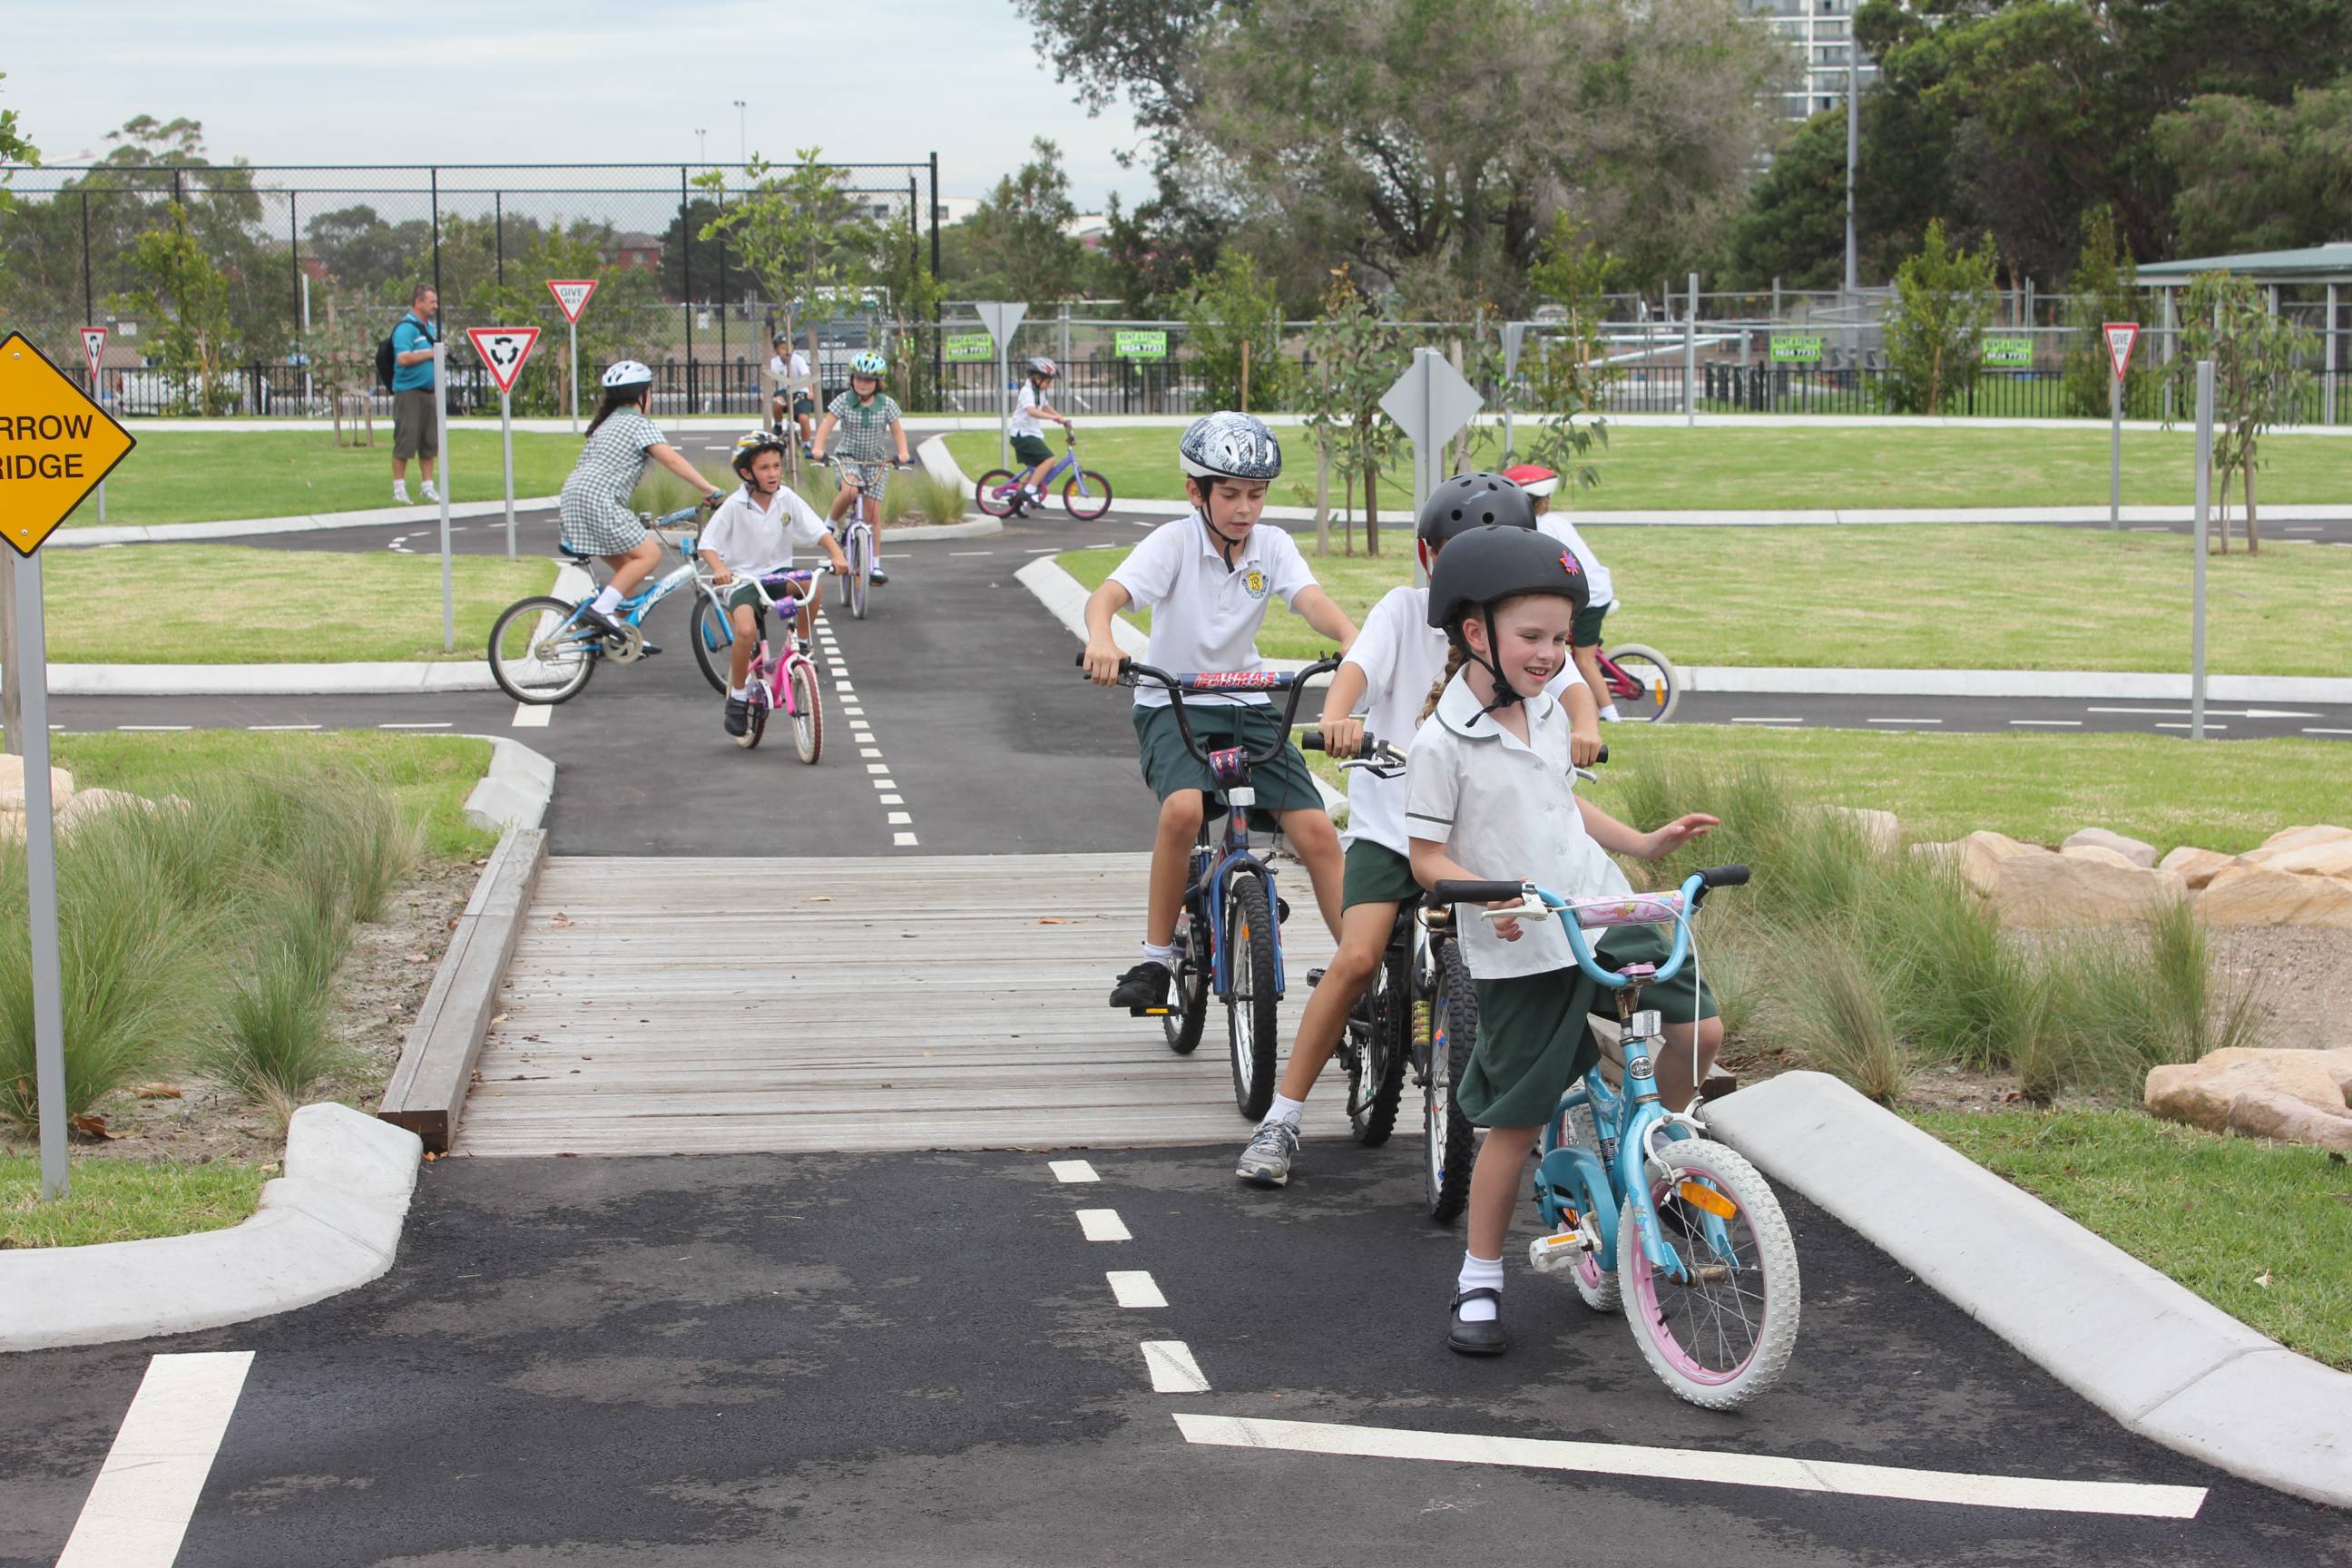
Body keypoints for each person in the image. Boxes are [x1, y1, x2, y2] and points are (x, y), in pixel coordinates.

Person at [1404, 524, 1722, 1357]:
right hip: (1525, 943)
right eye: (1533, 639)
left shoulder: (1545, 712)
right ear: (1477, 635)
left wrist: (1644, 846)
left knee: (1702, 1030)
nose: (1552, 656)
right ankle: (1478, 1280)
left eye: (1560, 639)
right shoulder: (1444, 741)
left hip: (1600, 907)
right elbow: (1426, 855)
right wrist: (1487, 893)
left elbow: (1563, 805)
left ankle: (1664, 1169)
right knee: (1517, 1120)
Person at [1234, 474, 1601, 1187]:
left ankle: (1546, 1105)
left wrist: (1586, 728)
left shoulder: (1522, 638)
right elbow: (1358, 670)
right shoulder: (1404, 613)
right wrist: (1340, 716)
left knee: (1548, 952)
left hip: (1488, 833)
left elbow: (1574, 690)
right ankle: (1281, 1118)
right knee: (1358, 957)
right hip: (1393, 827)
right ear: (1433, 561)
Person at [1081, 411, 1359, 1013]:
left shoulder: (1272, 546)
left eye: (1256, 495)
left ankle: (1358, 976)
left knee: (1315, 829)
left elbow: (1311, 602)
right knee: (1183, 810)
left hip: (1247, 702)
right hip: (1173, 702)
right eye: (1229, 494)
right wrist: (1104, 638)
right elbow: (1108, 595)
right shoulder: (1173, 544)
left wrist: (1348, 635)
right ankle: (1156, 962)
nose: (1245, 509)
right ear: (1196, 492)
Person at [557, 360, 726, 652]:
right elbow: (670, 459)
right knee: (649, 555)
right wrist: (708, 489)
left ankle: (618, 636)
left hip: (575, 498)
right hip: (598, 500)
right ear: (642, 395)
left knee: (627, 571)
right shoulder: (636, 424)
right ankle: (600, 611)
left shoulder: (607, 424)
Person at [701, 431, 852, 738]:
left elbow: (818, 531)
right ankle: (739, 697)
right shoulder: (734, 505)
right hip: (744, 579)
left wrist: (837, 554)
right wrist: (718, 567)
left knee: (810, 584)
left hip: (777, 574)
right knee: (745, 630)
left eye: (776, 466)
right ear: (747, 473)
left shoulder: (786, 499)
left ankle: (804, 649)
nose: (773, 473)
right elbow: (707, 544)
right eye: (765, 468)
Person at [1504, 463, 1622, 720]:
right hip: (1593, 587)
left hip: (1590, 597)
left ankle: (1612, 716)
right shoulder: (1554, 521)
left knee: (1583, 660)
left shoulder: (1540, 529)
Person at [811, 350, 910, 587]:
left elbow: (897, 430)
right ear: (852, 379)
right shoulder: (843, 400)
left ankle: (874, 564)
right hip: (848, 459)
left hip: (876, 462)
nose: (863, 384)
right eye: (859, 378)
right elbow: (826, 426)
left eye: (868, 380)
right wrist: (818, 448)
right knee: (850, 492)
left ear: (877, 383)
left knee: (873, 516)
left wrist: (903, 453)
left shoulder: (886, 404)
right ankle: (831, 524)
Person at [390, 285, 441, 505]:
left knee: (429, 443)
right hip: (409, 394)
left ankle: (427, 487)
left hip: (429, 393)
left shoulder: (430, 328)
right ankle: (399, 488)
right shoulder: (405, 328)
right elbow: (402, 358)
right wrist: (431, 352)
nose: (435, 306)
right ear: (418, 302)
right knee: (405, 441)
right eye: (431, 302)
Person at [1007, 356, 1071, 512]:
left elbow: (1046, 406)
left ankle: (1019, 497)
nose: (1049, 385)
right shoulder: (1027, 391)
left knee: (1043, 466)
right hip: (1022, 436)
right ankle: (1029, 491)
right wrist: (1053, 418)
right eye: (1048, 381)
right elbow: (1032, 411)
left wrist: (1060, 418)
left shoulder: (1039, 391)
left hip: (1031, 434)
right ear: (1037, 378)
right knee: (1050, 459)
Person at [767, 332, 817, 452]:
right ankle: (778, 425)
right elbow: (770, 381)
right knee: (777, 402)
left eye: (789, 347)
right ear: (777, 350)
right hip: (784, 391)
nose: (786, 351)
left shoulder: (798, 360)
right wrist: (766, 393)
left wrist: (810, 392)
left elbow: (807, 376)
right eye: (783, 348)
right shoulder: (774, 363)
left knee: (804, 418)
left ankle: (806, 444)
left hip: (800, 391)